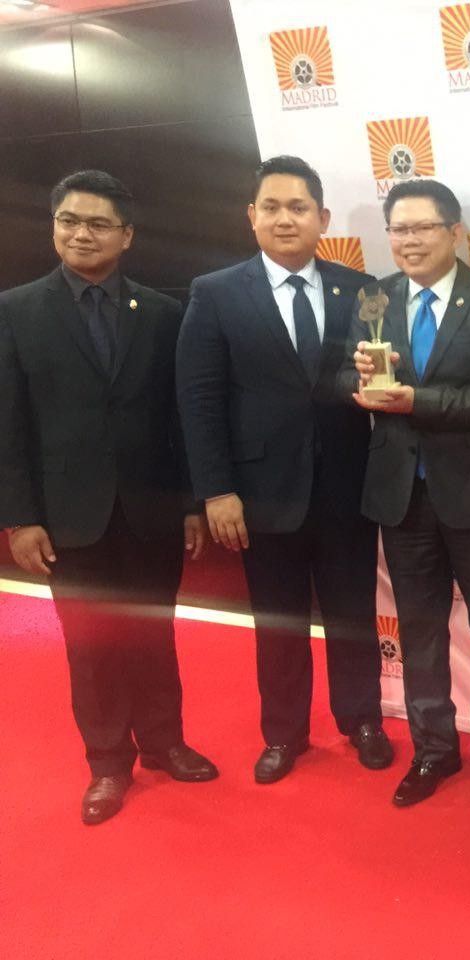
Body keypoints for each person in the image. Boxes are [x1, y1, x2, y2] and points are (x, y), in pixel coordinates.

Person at [0, 170, 217, 824]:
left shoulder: (160, 312)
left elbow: (178, 419)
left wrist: (188, 503)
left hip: (150, 511)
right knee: (90, 645)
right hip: (69, 516)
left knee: (154, 632)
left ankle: (164, 743)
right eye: (68, 220)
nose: (80, 233)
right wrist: (20, 518)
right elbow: (8, 423)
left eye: (96, 223)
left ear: (126, 235)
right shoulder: (15, 310)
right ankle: (106, 763)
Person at [177, 156, 391, 784]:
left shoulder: (360, 289)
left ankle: (364, 721)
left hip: (348, 488)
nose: (284, 218)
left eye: (299, 208)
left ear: (322, 219)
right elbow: (199, 398)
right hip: (260, 493)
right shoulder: (215, 292)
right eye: (271, 207)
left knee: (353, 613)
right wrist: (216, 489)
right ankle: (284, 734)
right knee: (278, 618)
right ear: (251, 217)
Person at [349, 178, 470, 805]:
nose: (408, 240)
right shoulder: (374, 297)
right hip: (402, 496)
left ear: (455, 233)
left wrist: (417, 401)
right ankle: (433, 749)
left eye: (422, 228)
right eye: (398, 229)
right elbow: (354, 370)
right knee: (419, 627)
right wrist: (361, 378)